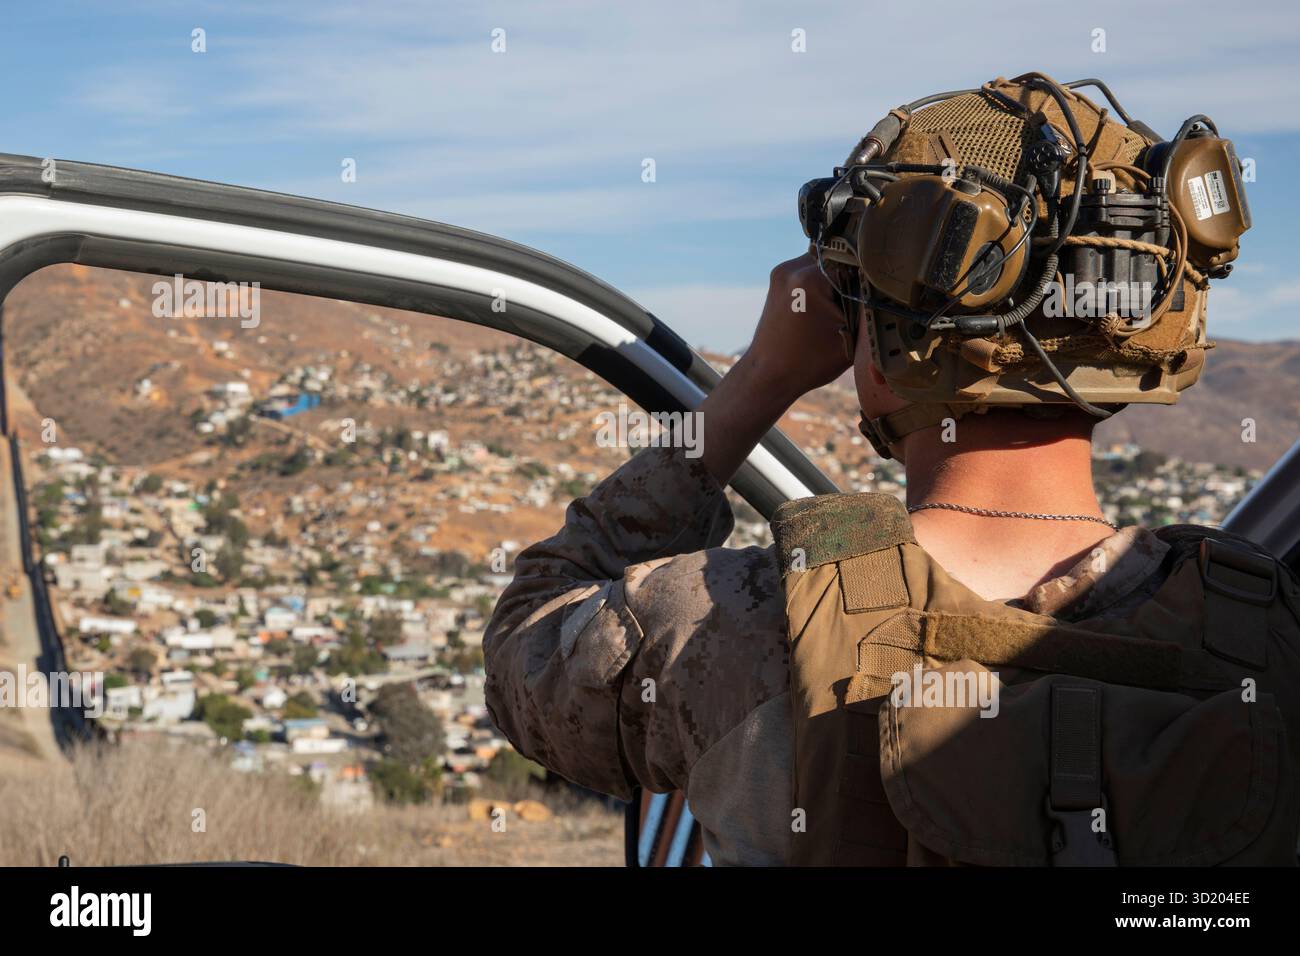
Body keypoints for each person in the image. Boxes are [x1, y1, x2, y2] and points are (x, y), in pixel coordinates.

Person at [484, 75, 1300, 866]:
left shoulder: (733, 626)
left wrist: (760, 377)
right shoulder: (1268, 631)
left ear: (870, 342)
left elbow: (526, 646)